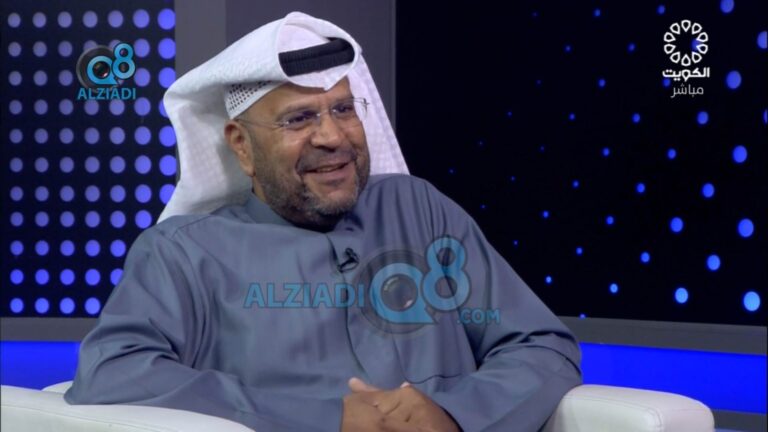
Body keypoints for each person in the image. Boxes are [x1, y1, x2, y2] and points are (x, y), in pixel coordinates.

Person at [64, 12, 582, 432]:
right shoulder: (183, 253)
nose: (332, 137)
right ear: (242, 146)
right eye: (299, 118)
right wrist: (324, 420)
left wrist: (454, 413)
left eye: (343, 109)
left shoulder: (417, 208)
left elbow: (542, 347)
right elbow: (112, 372)